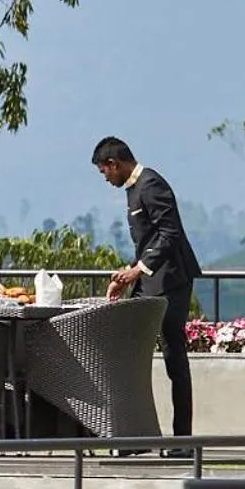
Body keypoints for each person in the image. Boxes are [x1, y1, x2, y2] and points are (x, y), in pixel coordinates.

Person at [92, 136, 200, 454]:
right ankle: (133, 437)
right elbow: (148, 242)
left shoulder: (151, 184)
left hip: (172, 283)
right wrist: (127, 276)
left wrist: (137, 271)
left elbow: (170, 233)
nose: (106, 178)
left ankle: (182, 441)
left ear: (115, 164)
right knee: (128, 355)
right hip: (147, 284)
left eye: (104, 172)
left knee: (173, 359)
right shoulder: (133, 190)